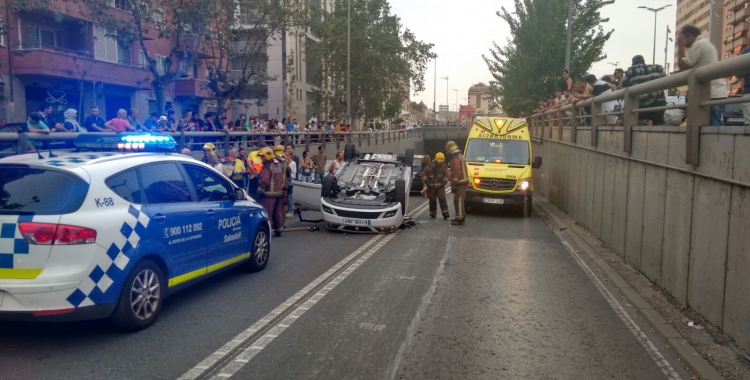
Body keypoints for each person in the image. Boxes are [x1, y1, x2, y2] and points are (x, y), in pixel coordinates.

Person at [676, 25, 728, 126]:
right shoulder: (705, 44)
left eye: (682, 38)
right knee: (708, 127)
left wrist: (680, 46)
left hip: (709, 94)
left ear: (689, 36)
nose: (681, 41)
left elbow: (682, 67)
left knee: (710, 128)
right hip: (714, 93)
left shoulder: (699, 45)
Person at [622, 55, 668, 126]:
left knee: (623, 119)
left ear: (633, 63)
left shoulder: (631, 71)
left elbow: (624, 86)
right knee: (657, 124)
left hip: (641, 106)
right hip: (659, 103)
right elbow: (667, 82)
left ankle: (646, 123)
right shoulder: (657, 68)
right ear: (643, 61)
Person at [257, 146, 286, 237]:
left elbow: (264, 182)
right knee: (277, 212)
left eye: (262, 157)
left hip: (269, 194)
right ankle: (279, 229)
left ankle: (267, 232)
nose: (261, 159)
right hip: (278, 193)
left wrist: (259, 193)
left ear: (267, 156)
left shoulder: (267, 167)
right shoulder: (277, 164)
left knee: (267, 214)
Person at [446, 140, 469, 225]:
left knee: (458, 200)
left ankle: (459, 218)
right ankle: (461, 215)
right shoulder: (460, 156)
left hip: (460, 182)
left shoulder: (456, 159)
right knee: (460, 200)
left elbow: (457, 172)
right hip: (463, 182)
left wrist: (454, 183)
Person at [422, 152, 450, 220]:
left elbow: (446, 175)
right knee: (432, 200)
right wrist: (426, 181)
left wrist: (444, 182)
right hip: (431, 187)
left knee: (442, 199)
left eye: (442, 161)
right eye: (439, 161)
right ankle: (433, 212)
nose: (440, 163)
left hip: (440, 186)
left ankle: (445, 212)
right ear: (436, 160)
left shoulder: (444, 167)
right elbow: (424, 174)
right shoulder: (429, 166)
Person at [739, 47, 750, 126]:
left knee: (746, 101)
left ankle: (748, 124)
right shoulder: (746, 50)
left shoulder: (746, 51)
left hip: (748, 86)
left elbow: (739, 72)